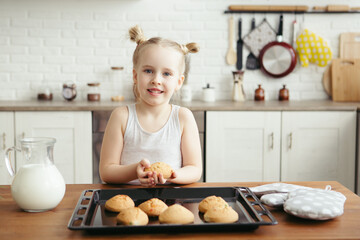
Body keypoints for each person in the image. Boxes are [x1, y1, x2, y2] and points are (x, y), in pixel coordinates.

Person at [99, 25, 202, 187]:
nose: (156, 80)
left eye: (166, 73)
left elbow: (195, 169)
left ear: (179, 82)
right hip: (128, 205)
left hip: (172, 205)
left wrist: (173, 175)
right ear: (135, 75)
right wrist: (135, 171)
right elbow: (106, 171)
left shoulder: (183, 117)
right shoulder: (121, 116)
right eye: (148, 71)